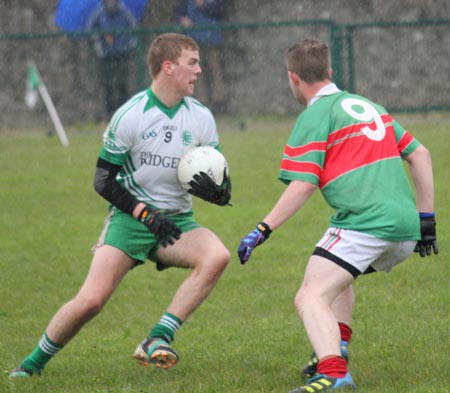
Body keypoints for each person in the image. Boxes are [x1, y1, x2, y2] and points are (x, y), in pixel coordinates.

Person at [10, 32, 232, 378]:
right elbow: (102, 182)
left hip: (177, 223)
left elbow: (210, 170)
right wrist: (145, 214)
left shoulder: (201, 117)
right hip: (131, 220)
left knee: (217, 256)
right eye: (193, 62)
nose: (200, 70)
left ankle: (158, 337)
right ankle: (31, 365)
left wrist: (218, 193)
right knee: (92, 300)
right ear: (168, 67)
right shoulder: (131, 115)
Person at [237, 38, 438, 392]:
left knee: (309, 297)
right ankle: (336, 348)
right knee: (335, 273)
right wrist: (427, 222)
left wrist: (262, 228)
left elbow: (302, 185)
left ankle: (333, 372)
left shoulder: (315, 115)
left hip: (366, 223)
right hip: (406, 227)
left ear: (293, 78)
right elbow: (420, 155)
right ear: (330, 72)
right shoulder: (369, 105)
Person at [86, 0, 137, 118]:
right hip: (106, 55)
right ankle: (109, 113)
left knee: (122, 83)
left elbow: (133, 29)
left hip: (122, 53)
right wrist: (101, 37)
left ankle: (124, 112)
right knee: (107, 84)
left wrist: (126, 43)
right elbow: (90, 30)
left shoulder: (124, 12)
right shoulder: (99, 13)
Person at [174, 0, 227, 112]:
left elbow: (220, 11)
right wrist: (182, 19)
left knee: (215, 68)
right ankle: (201, 101)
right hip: (193, 39)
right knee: (196, 72)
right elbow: (178, 13)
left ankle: (219, 102)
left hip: (211, 38)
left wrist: (204, 5)